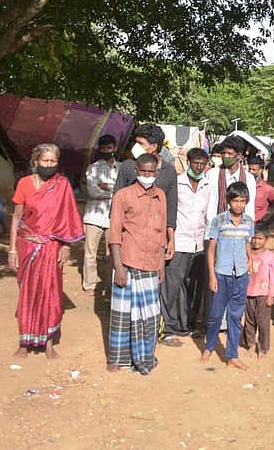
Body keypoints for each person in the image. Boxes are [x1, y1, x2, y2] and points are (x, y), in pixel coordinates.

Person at [8, 144, 84, 358]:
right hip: (27, 245)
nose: (49, 165)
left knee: (50, 292)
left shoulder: (62, 185)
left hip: (52, 247)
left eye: (53, 161)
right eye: (45, 161)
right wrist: (12, 249)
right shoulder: (24, 184)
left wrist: (66, 246)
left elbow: (68, 218)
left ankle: (49, 342)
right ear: (35, 161)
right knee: (27, 293)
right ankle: (25, 341)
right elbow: (16, 217)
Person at [106, 153, 167, 374]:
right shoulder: (123, 196)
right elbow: (114, 234)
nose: (148, 176)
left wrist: (161, 264)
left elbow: (161, 236)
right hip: (128, 262)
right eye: (144, 172)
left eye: (152, 173)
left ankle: (144, 356)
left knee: (149, 315)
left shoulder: (161, 196)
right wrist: (119, 267)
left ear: (157, 173)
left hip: (151, 263)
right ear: (136, 172)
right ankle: (117, 358)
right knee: (123, 314)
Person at [160, 148, 213, 347]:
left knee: (193, 288)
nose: (198, 167)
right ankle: (167, 328)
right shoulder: (177, 182)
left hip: (199, 244)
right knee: (171, 286)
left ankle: (187, 325)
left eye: (202, 163)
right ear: (188, 162)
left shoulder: (208, 184)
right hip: (178, 242)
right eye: (195, 163)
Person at [203, 182, 254, 369]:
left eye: (242, 201)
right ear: (228, 201)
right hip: (221, 274)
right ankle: (209, 347)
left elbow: (247, 242)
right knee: (215, 315)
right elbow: (211, 250)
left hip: (240, 275)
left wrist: (249, 259)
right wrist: (212, 275)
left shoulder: (249, 222)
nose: (239, 205)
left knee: (235, 316)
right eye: (236, 201)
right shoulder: (219, 221)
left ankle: (232, 355)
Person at [114, 123, 177, 261]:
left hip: (155, 237)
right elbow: (116, 203)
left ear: (153, 147)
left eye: (140, 143)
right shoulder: (128, 166)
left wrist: (171, 239)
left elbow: (171, 207)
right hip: (129, 236)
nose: (135, 147)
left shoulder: (169, 172)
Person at [81, 135, 119, 295]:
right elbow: (93, 192)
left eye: (109, 148)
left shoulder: (122, 168)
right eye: (103, 149)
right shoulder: (93, 168)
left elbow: (125, 191)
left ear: (115, 148)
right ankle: (89, 285)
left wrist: (106, 186)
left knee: (112, 253)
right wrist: (115, 190)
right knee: (90, 253)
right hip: (93, 217)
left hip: (114, 217)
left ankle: (110, 286)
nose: (106, 151)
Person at [241, 229, 274, 356]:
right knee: (249, 321)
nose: (256, 241)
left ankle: (263, 348)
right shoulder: (246, 254)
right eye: (254, 238)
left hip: (263, 293)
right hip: (248, 292)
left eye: (260, 238)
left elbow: (273, 277)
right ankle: (250, 344)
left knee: (263, 321)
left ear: (266, 239)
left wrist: (271, 295)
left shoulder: (270, 256)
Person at [205, 136, 257, 222]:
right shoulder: (212, 174)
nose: (225, 156)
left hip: (239, 229)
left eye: (229, 153)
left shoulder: (249, 179)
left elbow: (249, 207)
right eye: (223, 153)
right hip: (213, 227)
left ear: (239, 156)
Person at [247, 155, 274, 231]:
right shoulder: (243, 185)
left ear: (261, 170)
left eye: (254, 170)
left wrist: (267, 222)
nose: (251, 172)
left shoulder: (268, 189)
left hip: (258, 228)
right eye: (249, 169)